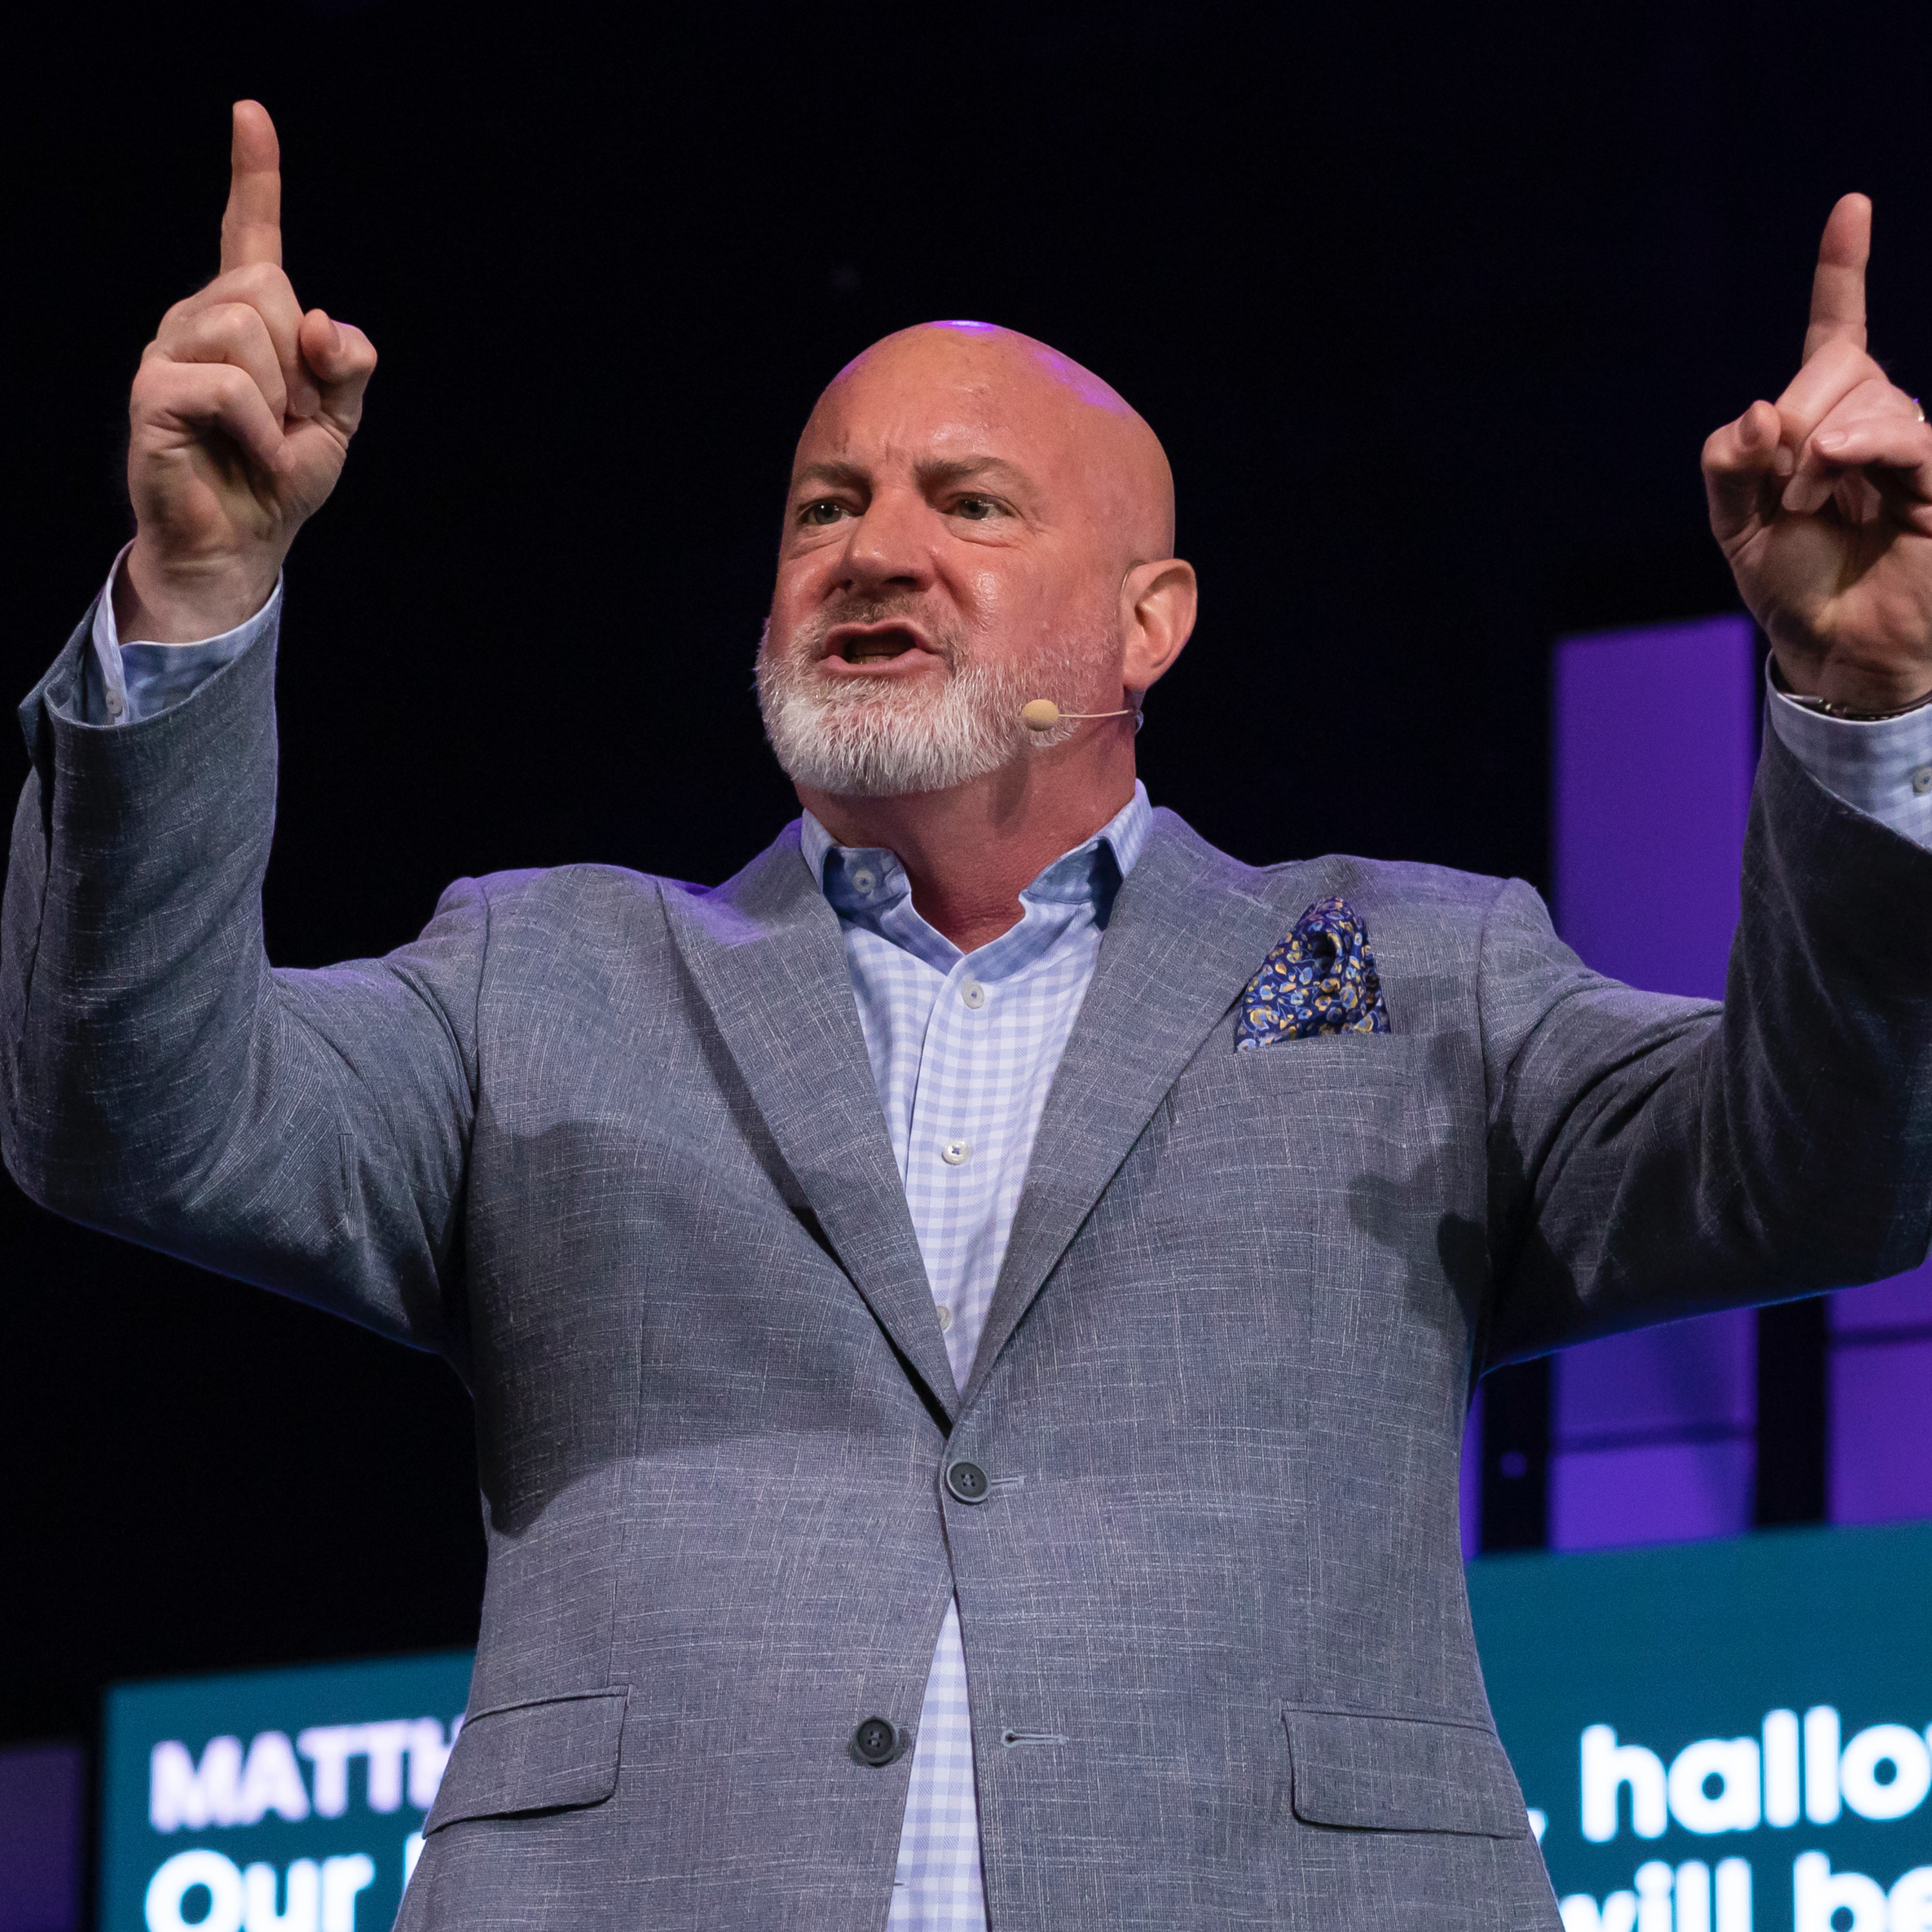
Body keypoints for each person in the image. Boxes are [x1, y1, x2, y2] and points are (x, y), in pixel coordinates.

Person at [5, 100, 1931, 1932]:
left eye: (973, 504)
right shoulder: (547, 981)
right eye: (825, 507)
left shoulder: (1427, 976)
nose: (874, 547)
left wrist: (1867, 715)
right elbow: (131, 1114)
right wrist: (197, 591)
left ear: (1150, 622)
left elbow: (1824, 1175)